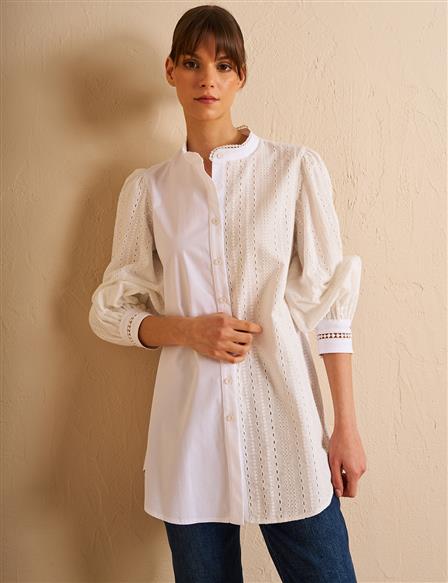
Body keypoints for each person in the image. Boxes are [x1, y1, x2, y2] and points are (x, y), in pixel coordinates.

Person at [88, 4, 367, 582]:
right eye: (192, 63)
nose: (207, 79)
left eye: (223, 65)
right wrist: (188, 330)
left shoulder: (293, 170)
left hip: (286, 423)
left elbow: (329, 308)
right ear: (170, 70)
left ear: (241, 75)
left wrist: (346, 426)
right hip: (189, 436)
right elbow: (111, 310)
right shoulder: (149, 190)